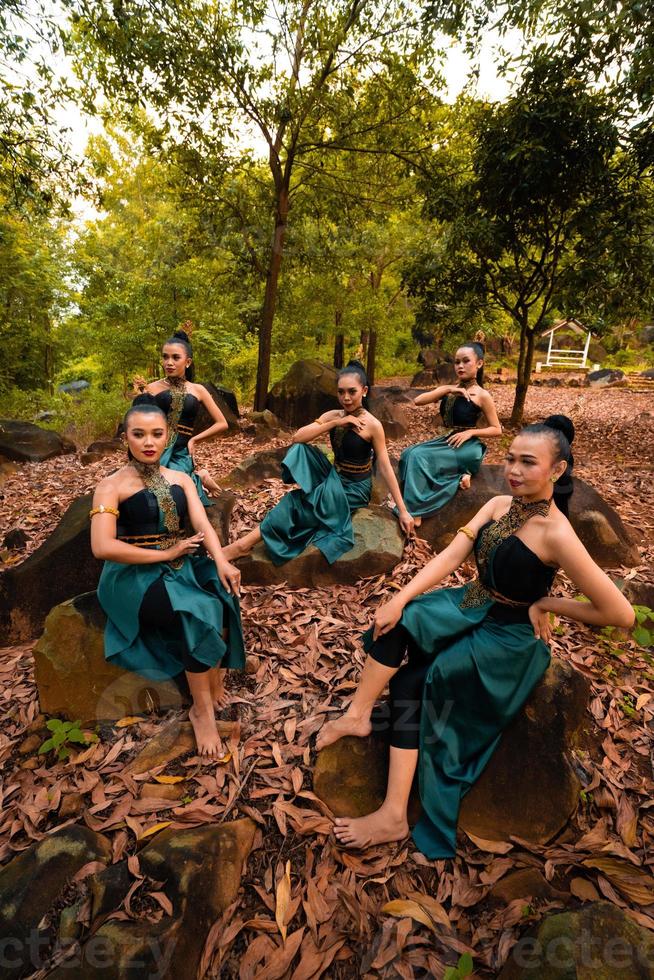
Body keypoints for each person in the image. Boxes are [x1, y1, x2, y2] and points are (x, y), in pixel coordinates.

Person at [317, 417, 634, 854]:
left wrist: (547, 604)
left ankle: (393, 815)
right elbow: (451, 554)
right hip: (472, 601)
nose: (514, 470)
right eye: (511, 458)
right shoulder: (499, 504)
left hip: (508, 636)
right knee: (397, 620)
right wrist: (400, 596)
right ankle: (358, 713)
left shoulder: (558, 533)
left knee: (413, 683)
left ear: (557, 471)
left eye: (528, 462)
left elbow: (620, 614)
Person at [90, 396, 244, 759]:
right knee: (194, 611)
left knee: (224, 592)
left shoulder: (181, 477)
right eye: (139, 434)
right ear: (125, 437)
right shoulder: (111, 485)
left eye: (157, 434)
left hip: (180, 563)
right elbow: (102, 546)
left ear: (168, 436)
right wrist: (165, 554)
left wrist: (221, 559)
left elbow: (202, 522)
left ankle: (213, 675)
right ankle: (201, 709)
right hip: (131, 576)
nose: (148, 442)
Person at [223, 360, 415, 564]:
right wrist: (336, 422)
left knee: (296, 502)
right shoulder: (334, 415)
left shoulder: (373, 425)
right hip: (333, 475)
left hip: (354, 488)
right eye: (341, 392)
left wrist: (402, 510)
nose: (346, 398)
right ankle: (255, 538)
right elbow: (298, 437)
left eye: (352, 391)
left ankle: (242, 545)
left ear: (364, 391)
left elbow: (384, 466)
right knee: (300, 448)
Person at [398, 342, 502, 526]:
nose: (460, 366)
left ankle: (416, 510)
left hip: (468, 447)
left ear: (479, 364)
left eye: (466, 361)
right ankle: (459, 476)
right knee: (407, 454)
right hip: (447, 441)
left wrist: (471, 432)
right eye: (456, 362)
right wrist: (447, 389)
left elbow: (497, 429)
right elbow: (417, 400)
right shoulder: (451, 389)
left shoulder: (482, 395)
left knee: (418, 456)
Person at [135, 329, 228, 505]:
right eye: (165, 357)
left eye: (175, 358)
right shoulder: (151, 388)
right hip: (154, 448)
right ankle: (198, 476)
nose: (169, 362)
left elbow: (222, 423)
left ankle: (199, 476)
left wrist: (194, 440)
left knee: (175, 494)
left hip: (180, 452)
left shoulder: (198, 389)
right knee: (142, 494)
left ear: (188, 362)